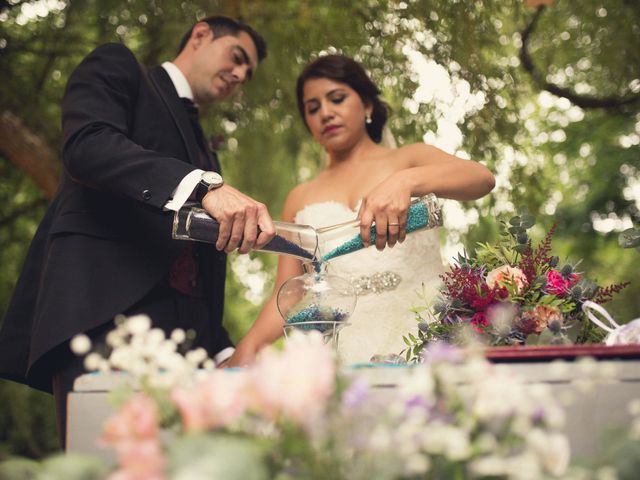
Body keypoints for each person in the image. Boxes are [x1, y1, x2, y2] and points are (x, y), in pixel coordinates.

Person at [0, 15, 275, 447]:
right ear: (200, 34)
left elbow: (197, 271)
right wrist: (201, 186)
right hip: (104, 327)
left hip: (189, 357)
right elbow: (88, 144)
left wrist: (223, 352)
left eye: (248, 74)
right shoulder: (120, 67)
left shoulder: (208, 155)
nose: (240, 75)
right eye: (237, 57)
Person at [226, 54, 495, 367]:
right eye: (312, 108)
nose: (325, 113)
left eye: (337, 99)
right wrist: (245, 350)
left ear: (367, 105)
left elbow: (481, 179)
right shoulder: (299, 197)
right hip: (346, 352)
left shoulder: (410, 159)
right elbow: (289, 293)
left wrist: (405, 181)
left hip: (427, 336)